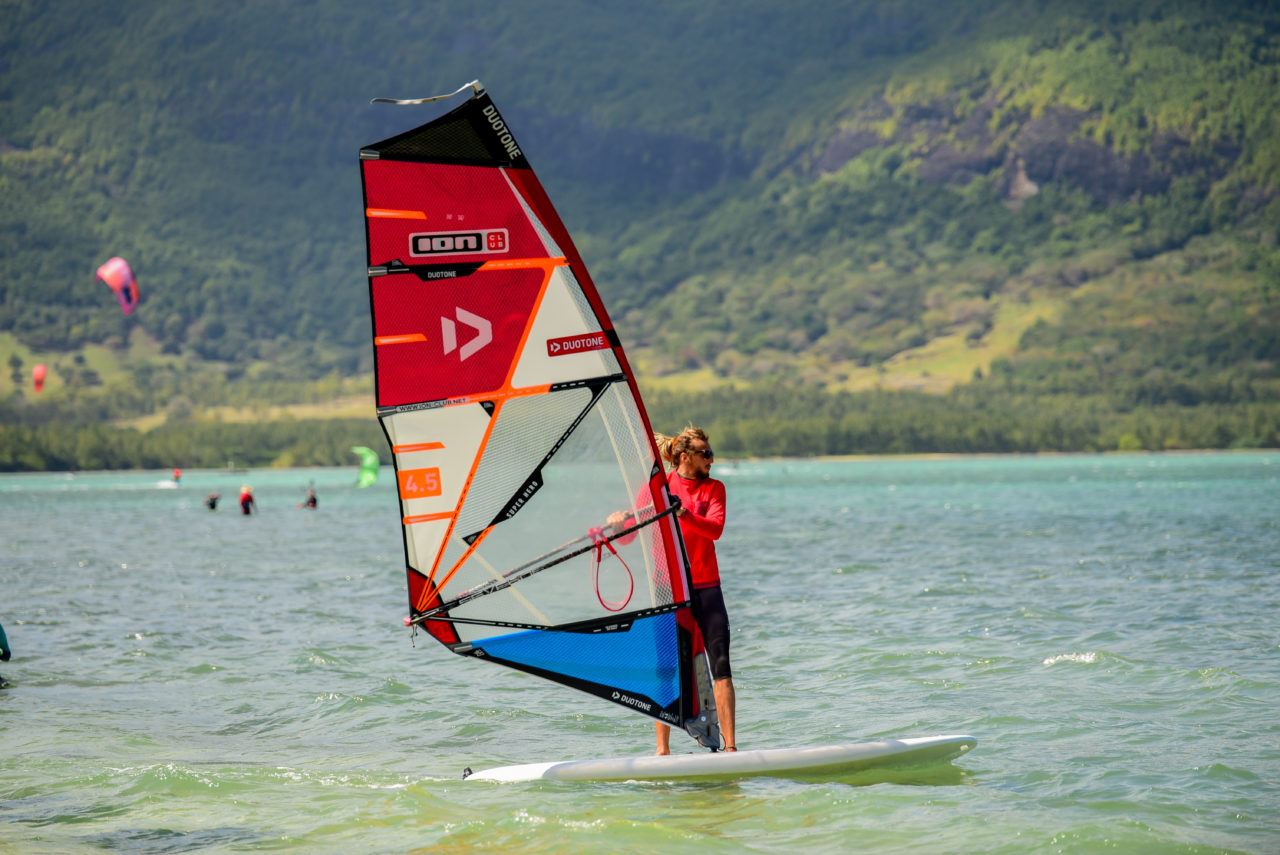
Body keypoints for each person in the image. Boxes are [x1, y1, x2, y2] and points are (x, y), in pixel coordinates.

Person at [614, 425, 736, 755]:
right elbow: (629, 534)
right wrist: (617, 524)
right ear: (685, 457)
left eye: (711, 453)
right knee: (665, 668)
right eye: (705, 454)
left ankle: (731, 749)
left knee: (721, 666)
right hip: (668, 589)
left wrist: (682, 512)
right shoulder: (658, 488)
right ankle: (662, 750)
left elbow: (715, 530)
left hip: (707, 587)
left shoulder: (715, 489)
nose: (712, 459)